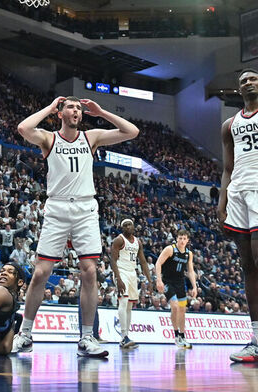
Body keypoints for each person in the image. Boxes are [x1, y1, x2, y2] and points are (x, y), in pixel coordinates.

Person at [12, 96, 139, 358]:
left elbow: (132, 132)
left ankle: (86, 337)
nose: (76, 111)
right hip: (57, 208)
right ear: (61, 113)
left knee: (90, 271)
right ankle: (25, 334)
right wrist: (49, 107)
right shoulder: (49, 138)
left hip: (85, 208)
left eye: (79, 109)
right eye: (70, 107)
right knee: (40, 273)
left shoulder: (90, 137)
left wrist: (102, 112)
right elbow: (24, 129)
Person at [219, 68, 258, 362]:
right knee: (247, 266)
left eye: (254, 78)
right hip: (238, 194)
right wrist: (222, 202)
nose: (249, 82)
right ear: (238, 89)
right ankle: (256, 339)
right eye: (244, 80)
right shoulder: (228, 125)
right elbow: (227, 169)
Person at [110, 218, 152, 349]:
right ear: (122, 228)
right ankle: (123, 337)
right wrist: (118, 278)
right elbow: (112, 260)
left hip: (132, 273)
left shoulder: (138, 242)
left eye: (130, 225)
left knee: (129, 306)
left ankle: (126, 336)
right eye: (125, 225)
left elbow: (144, 262)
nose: (128, 227)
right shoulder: (119, 240)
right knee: (123, 302)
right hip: (121, 271)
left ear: (134, 227)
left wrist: (150, 280)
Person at [155, 229, 197, 349]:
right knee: (174, 306)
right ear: (176, 238)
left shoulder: (189, 253)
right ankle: (176, 335)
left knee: (182, 310)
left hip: (180, 283)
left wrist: (194, 286)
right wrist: (159, 280)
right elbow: (158, 263)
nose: (182, 241)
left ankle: (182, 336)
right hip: (168, 281)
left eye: (184, 239)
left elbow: (190, 271)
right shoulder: (170, 249)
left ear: (188, 240)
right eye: (180, 238)